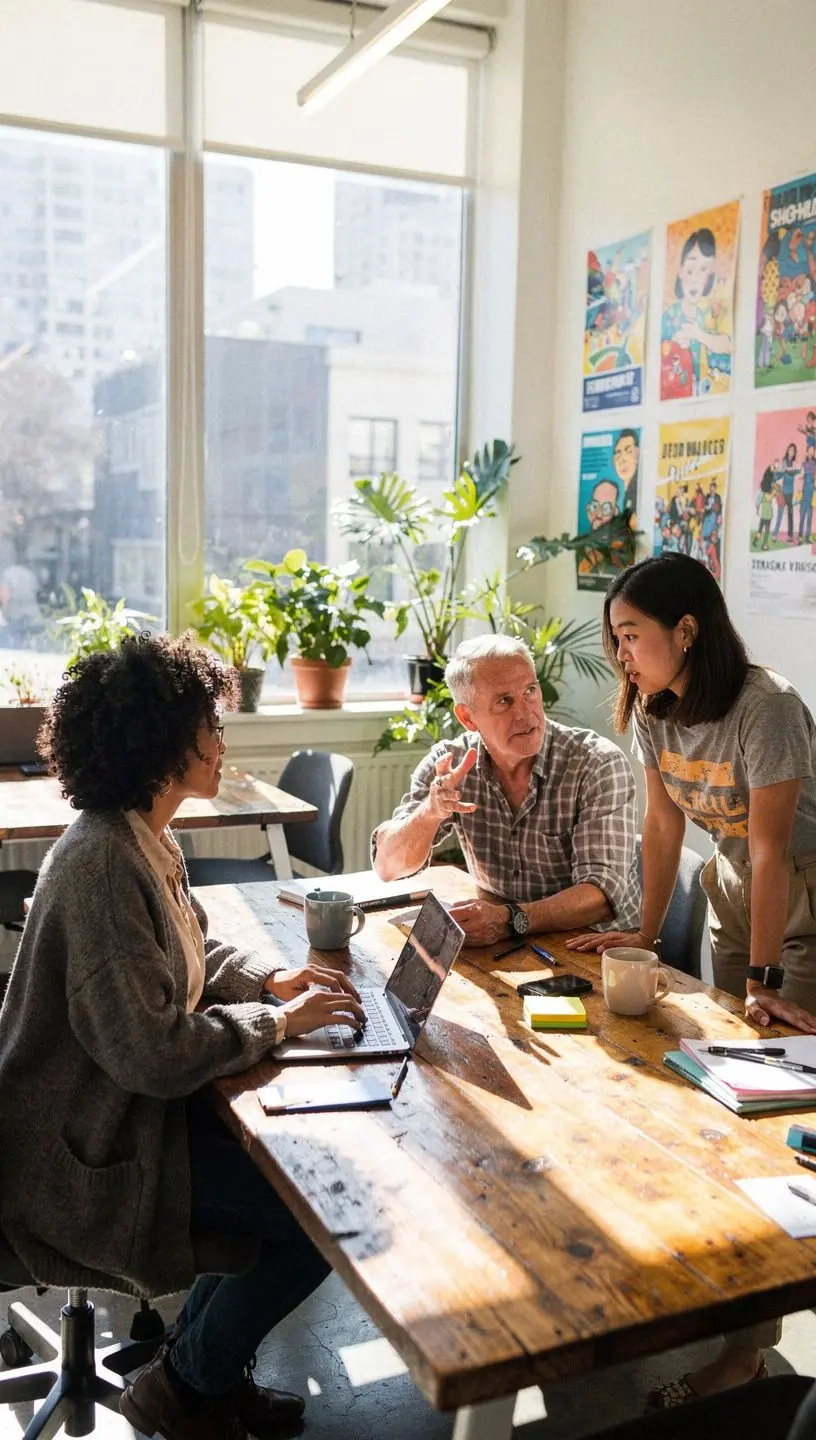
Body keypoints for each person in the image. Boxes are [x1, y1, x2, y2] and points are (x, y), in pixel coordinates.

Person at [0, 632, 366, 1440]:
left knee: (295, 1180)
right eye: (210, 722)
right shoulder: (102, 862)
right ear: (166, 744)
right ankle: (188, 1381)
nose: (222, 736)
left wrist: (267, 981)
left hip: (124, 1118)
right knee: (318, 1220)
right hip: (85, 1155)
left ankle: (192, 1369)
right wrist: (275, 1023)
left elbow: (192, 948)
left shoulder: (142, 833)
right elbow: (153, 1053)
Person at [567, 553, 816, 1410]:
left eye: (632, 636)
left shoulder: (768, 706)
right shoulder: (651, 708)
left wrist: (767, 977)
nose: (622, 655)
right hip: (732, 889)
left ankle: (750, 1349)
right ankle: (730, 1297)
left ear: (687, 629)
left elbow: (778, 849)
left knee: (782, 1106)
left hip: (802, 896)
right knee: (723, 1092)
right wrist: (641, 931)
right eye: (615, 638)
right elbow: (663, 826)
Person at [372, 634, 640, 946]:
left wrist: (508, 920)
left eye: (530, 691)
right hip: (510, 942)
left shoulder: (596, 763)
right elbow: (387, 866)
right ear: (467, 717)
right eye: (504, 701)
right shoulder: (451, 765)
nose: (525, 713)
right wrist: (430, 813)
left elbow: (601, 896)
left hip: (598, 947)